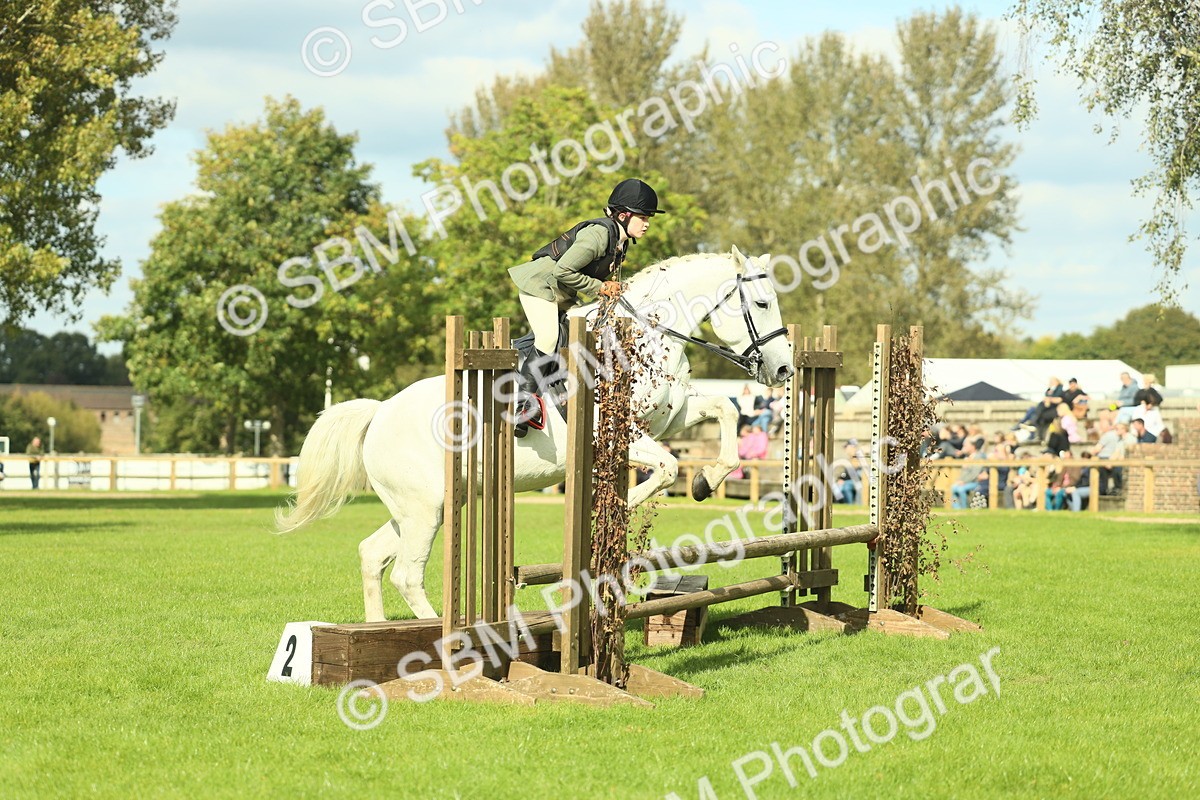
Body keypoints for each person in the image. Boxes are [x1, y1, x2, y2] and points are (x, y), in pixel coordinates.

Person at [507, 178, 665, 437]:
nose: (647, 224)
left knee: (585, 328)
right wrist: (601, 288)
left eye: (648, 218)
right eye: (643, 217)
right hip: (540, 285)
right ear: (623, 215)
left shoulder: (620, 242)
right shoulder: (599, 234)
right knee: (548, 339)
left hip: (563, 292)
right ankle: (523, 406)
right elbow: (563, 270)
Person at [950, 439, 986, 509]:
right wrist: (959, 480)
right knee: (953, 487)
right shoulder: (967, 457)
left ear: (973, 447)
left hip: (976, 482)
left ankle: (964, 508)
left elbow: (975, 473)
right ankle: (957, 509)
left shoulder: (979, 457)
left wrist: (964, 482)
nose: (963, 448)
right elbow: (963, 473)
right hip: (965, 482)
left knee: (960, 489)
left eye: (966, 446)